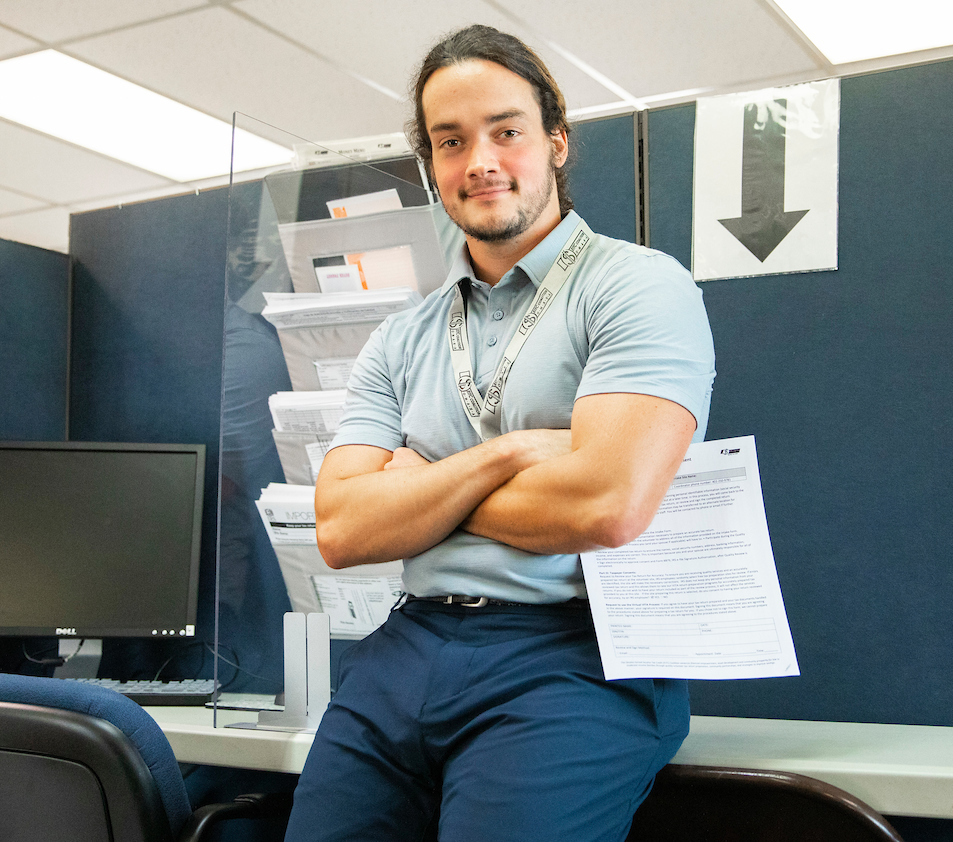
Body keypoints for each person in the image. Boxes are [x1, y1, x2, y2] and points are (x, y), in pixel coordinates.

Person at [285, 24, 716, 842]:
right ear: (432, 167)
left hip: (570, 656)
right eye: (451, 141)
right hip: (406, 644)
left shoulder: (637, 288)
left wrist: (417, 488)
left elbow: (607, 505)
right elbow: (340, 529)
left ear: (555, 142)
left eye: (506, 131)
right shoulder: (400, 337)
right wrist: (511, 455)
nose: (479, 158)